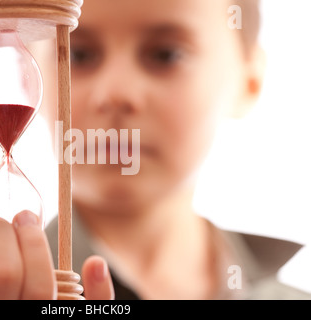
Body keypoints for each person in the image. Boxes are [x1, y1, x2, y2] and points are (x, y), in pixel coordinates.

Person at [41, 0, 311, 299]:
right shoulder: (0, 290)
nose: (116, 92)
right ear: (33, 75)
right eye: (78, 55)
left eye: (166, 55)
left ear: (250, 81)